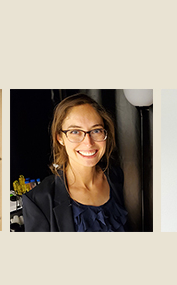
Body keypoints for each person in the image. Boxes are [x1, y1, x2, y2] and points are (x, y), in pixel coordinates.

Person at [22, 93, 128, 232]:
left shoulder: (117, 178)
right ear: (59, 137)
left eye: (96, 130)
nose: (88, 142)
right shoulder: (38, 200)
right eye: (75, 132)